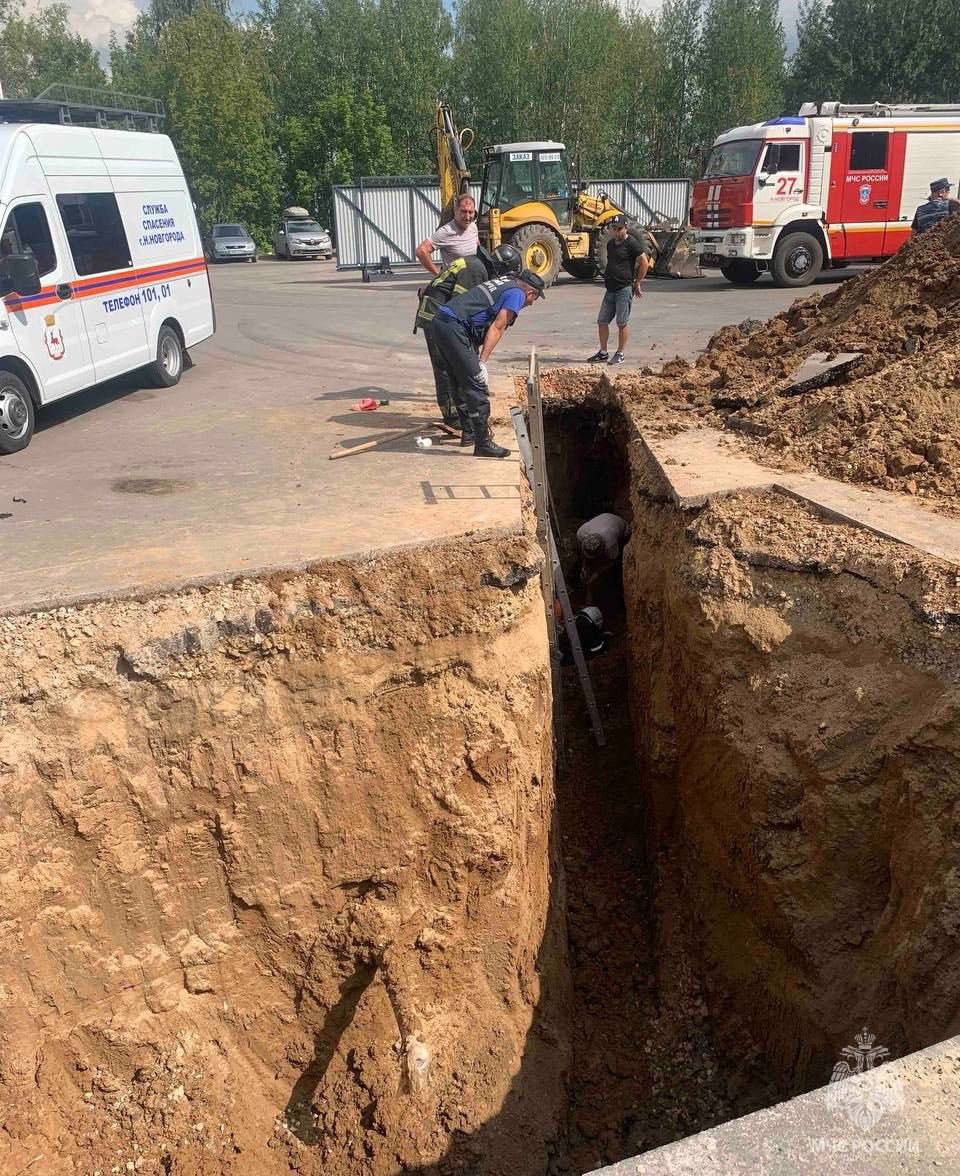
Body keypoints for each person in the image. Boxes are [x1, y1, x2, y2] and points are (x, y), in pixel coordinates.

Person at [432, 267, 545, 458]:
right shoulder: (517, 294)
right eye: (534, 299)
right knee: (476, 383)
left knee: (458, 380)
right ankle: (483, 443)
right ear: (531, 292)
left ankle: (469, 433)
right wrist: (482, 362)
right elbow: (497, 327)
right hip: (454, 327)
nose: (532, 304)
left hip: (441, 322)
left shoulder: (506, 282)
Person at [414, 244, 522, 431]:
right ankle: (452, 415)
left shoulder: (476, 263)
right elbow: (462, 309)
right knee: (445, 366)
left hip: (442, 313)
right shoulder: (476, 271)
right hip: (436, 315)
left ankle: (463, 412)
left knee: (456, 362)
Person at [587, 214, 652, 367]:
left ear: (625, 228)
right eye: (614, 228)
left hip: (624, 289)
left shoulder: (632, 243)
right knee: (602, 321)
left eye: (619, 229)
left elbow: (644, 262)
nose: (616, 232)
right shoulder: (610, 244)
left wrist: (638, 282)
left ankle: (620, 353)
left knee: (621, 322)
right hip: (610, 289)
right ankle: (603, 352)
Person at [415, 193, 478, 275]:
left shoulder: (473, 226)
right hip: (456, 283)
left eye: (470, 212)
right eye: (463, 211)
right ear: (455, 211)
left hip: (473, 279)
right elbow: (421, 251)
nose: (467, 216)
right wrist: (438, 275)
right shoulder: (446, 231)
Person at [577, 512, 630, 599]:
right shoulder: (581, 533)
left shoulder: (611, 544)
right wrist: (584, 567)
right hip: (604, 520)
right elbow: (582, 553)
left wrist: (597, 574)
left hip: (623, 531)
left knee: (614, 570)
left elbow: (614, 561)